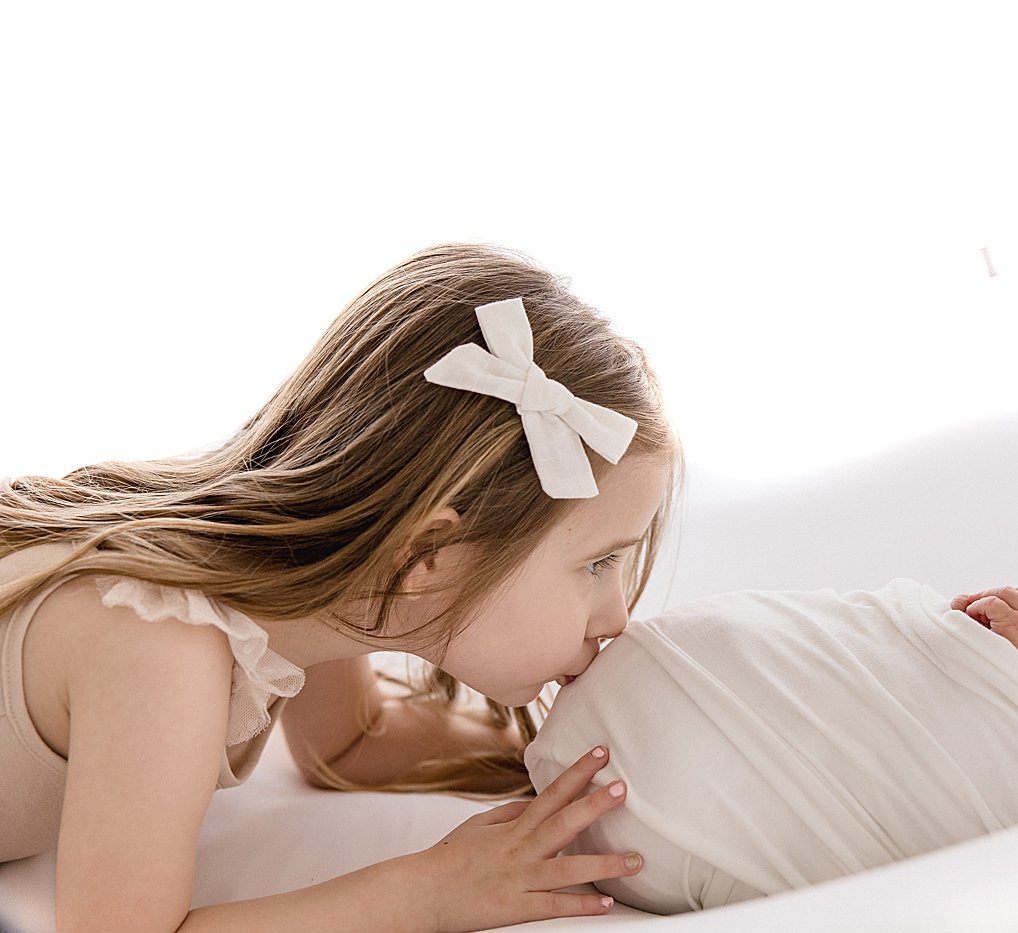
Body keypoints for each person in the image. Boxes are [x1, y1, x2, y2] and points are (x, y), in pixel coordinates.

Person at [0, 243, 679, 931]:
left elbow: (349, 740)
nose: (618, 616)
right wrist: (430, 891)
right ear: (428, 553)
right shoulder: (162, 647)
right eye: (599, 563)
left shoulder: (310, 588)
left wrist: (574, 757)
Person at [526, 541, 1018, 913]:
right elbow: (871, 678)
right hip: (643, 821)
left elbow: (928, 690)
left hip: (656, 775)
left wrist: (972, 655)